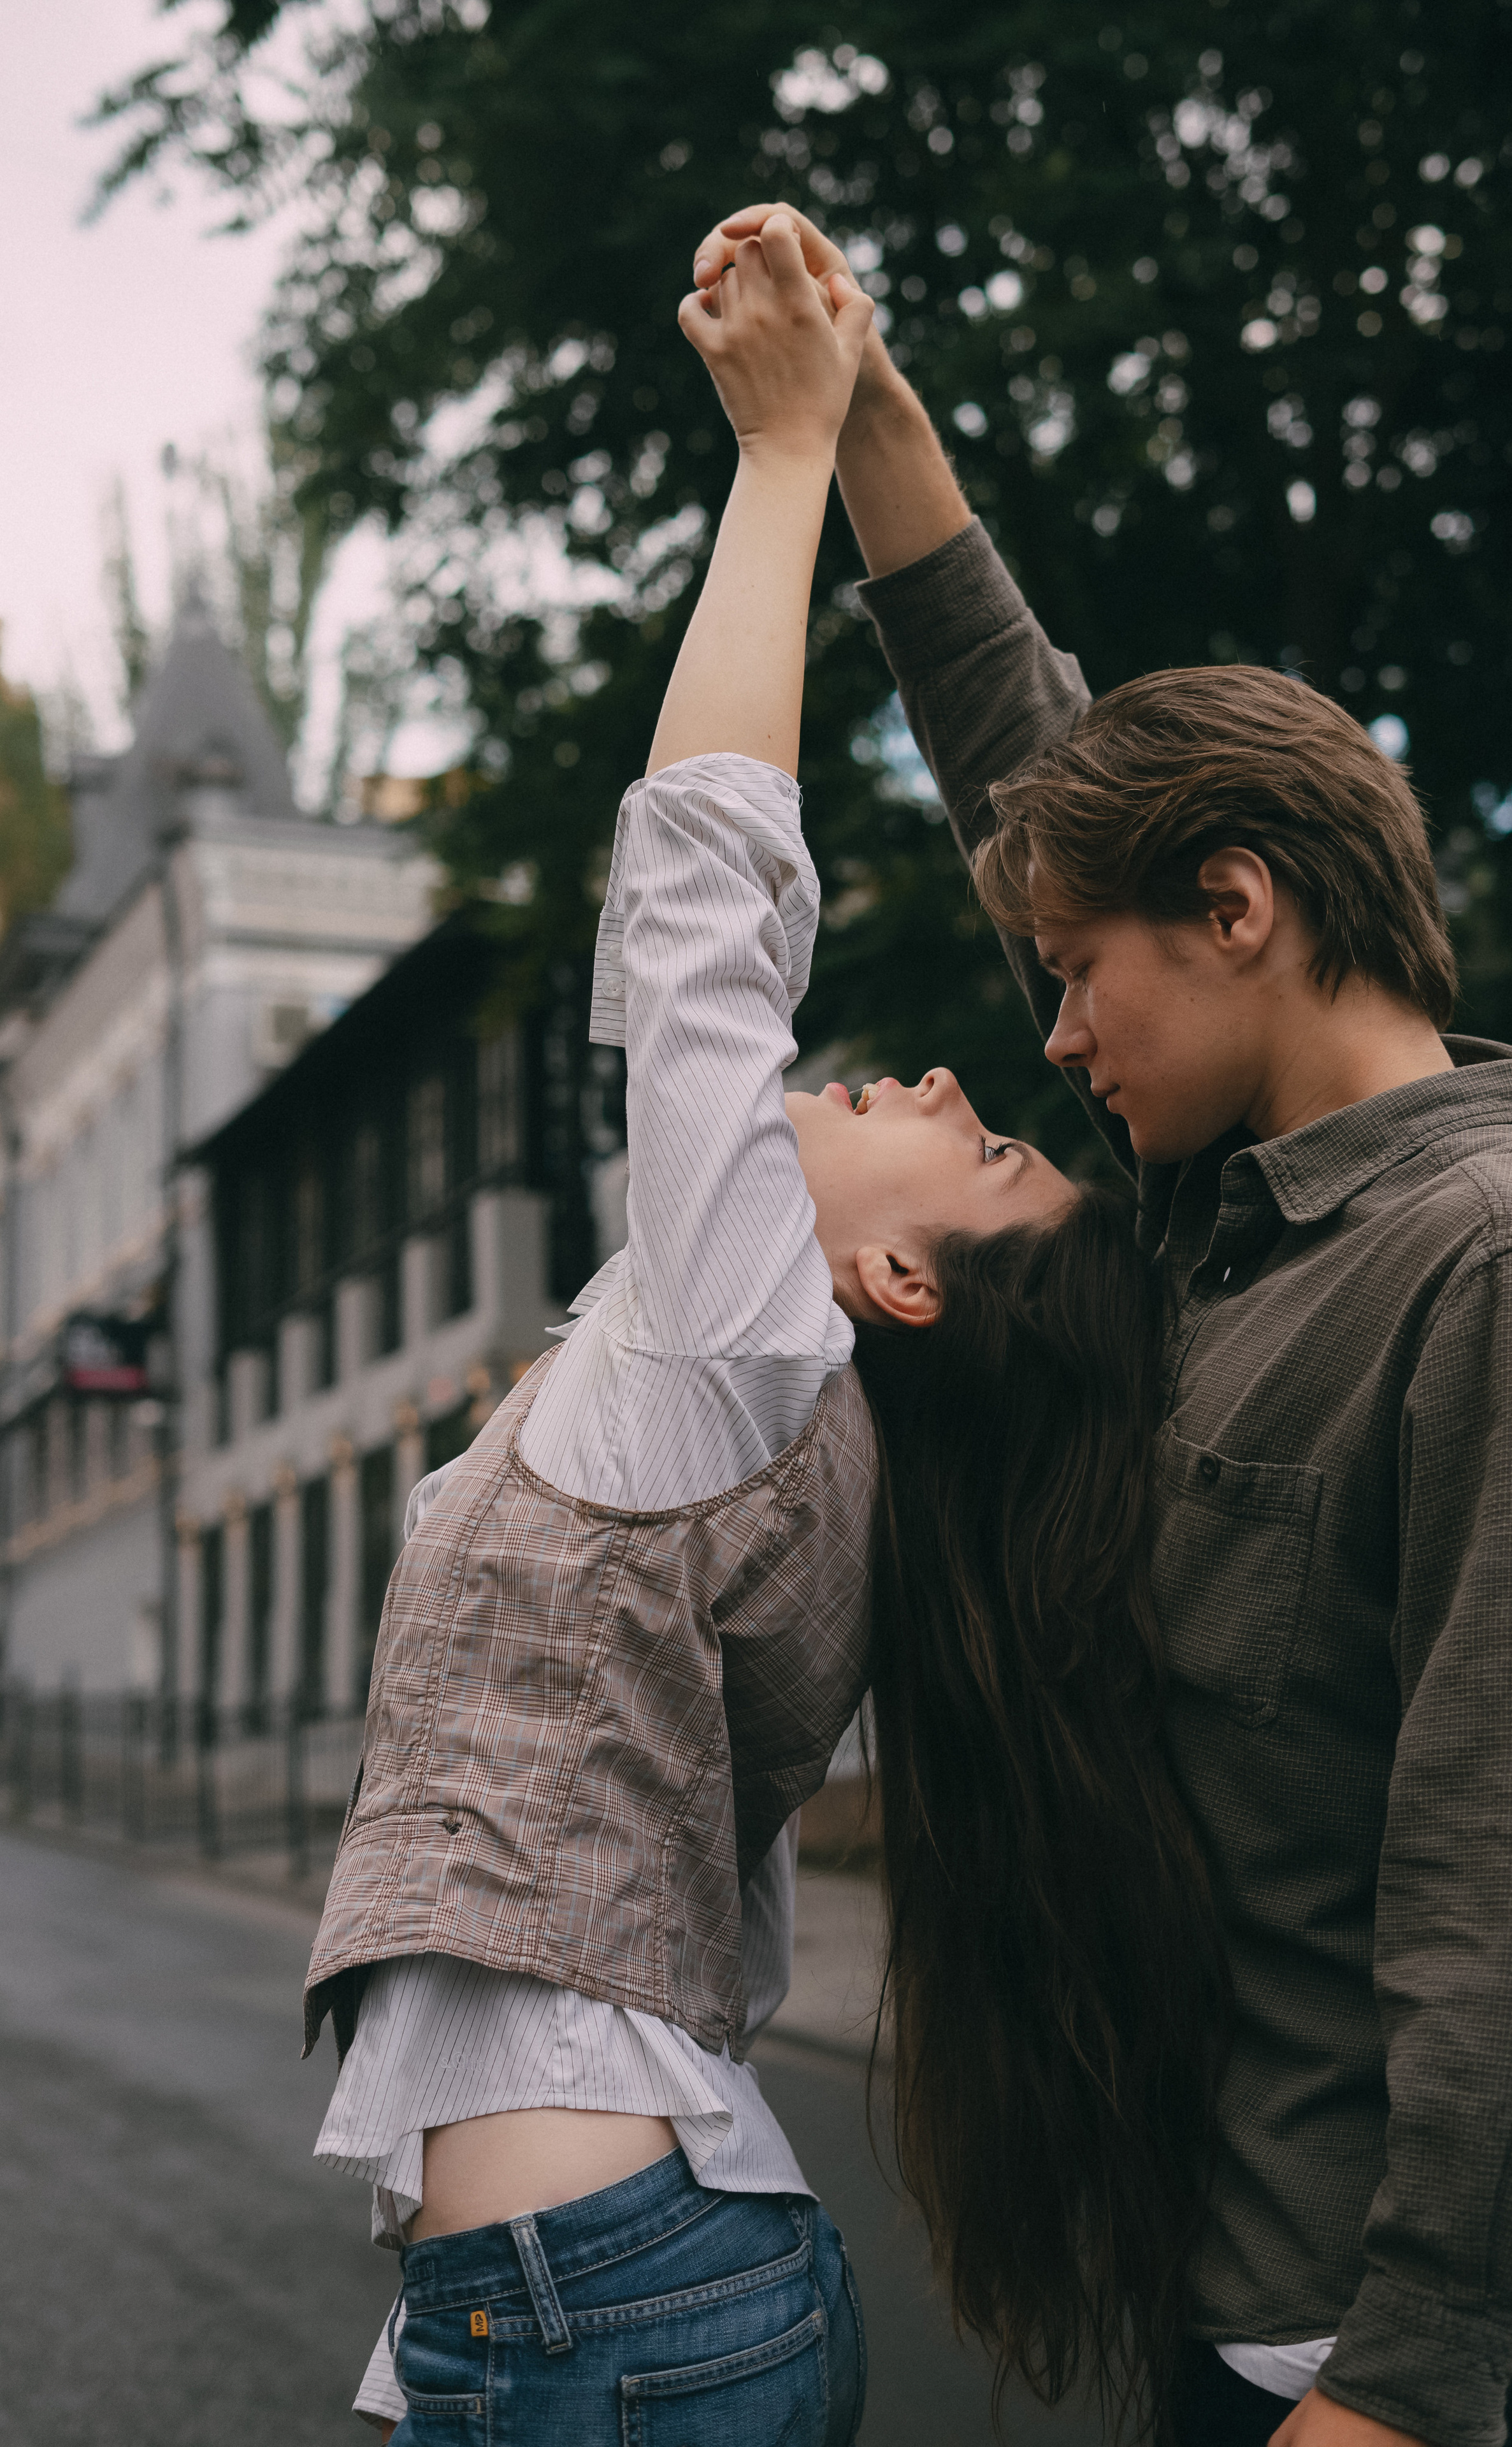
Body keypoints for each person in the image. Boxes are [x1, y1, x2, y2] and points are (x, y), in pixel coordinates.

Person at [688, 206, 1512, 2447]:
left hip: (1409, 2368)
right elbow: (1026, 745)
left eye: (1080, 975)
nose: (1054, 1031)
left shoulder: (1498, 1267)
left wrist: (1398, 2391)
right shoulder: (1222, 1214)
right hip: (1248, 2305)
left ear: (1239, 909)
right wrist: (876, 408)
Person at [305, 216, 1221, 2446]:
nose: (932, 1082)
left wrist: (785, 452)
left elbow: (704, 901)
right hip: (601, 2285)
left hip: (604, 2298)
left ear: (897, 1287)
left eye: (976, 1143)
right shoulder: (755, 1410)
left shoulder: (749, 1358)